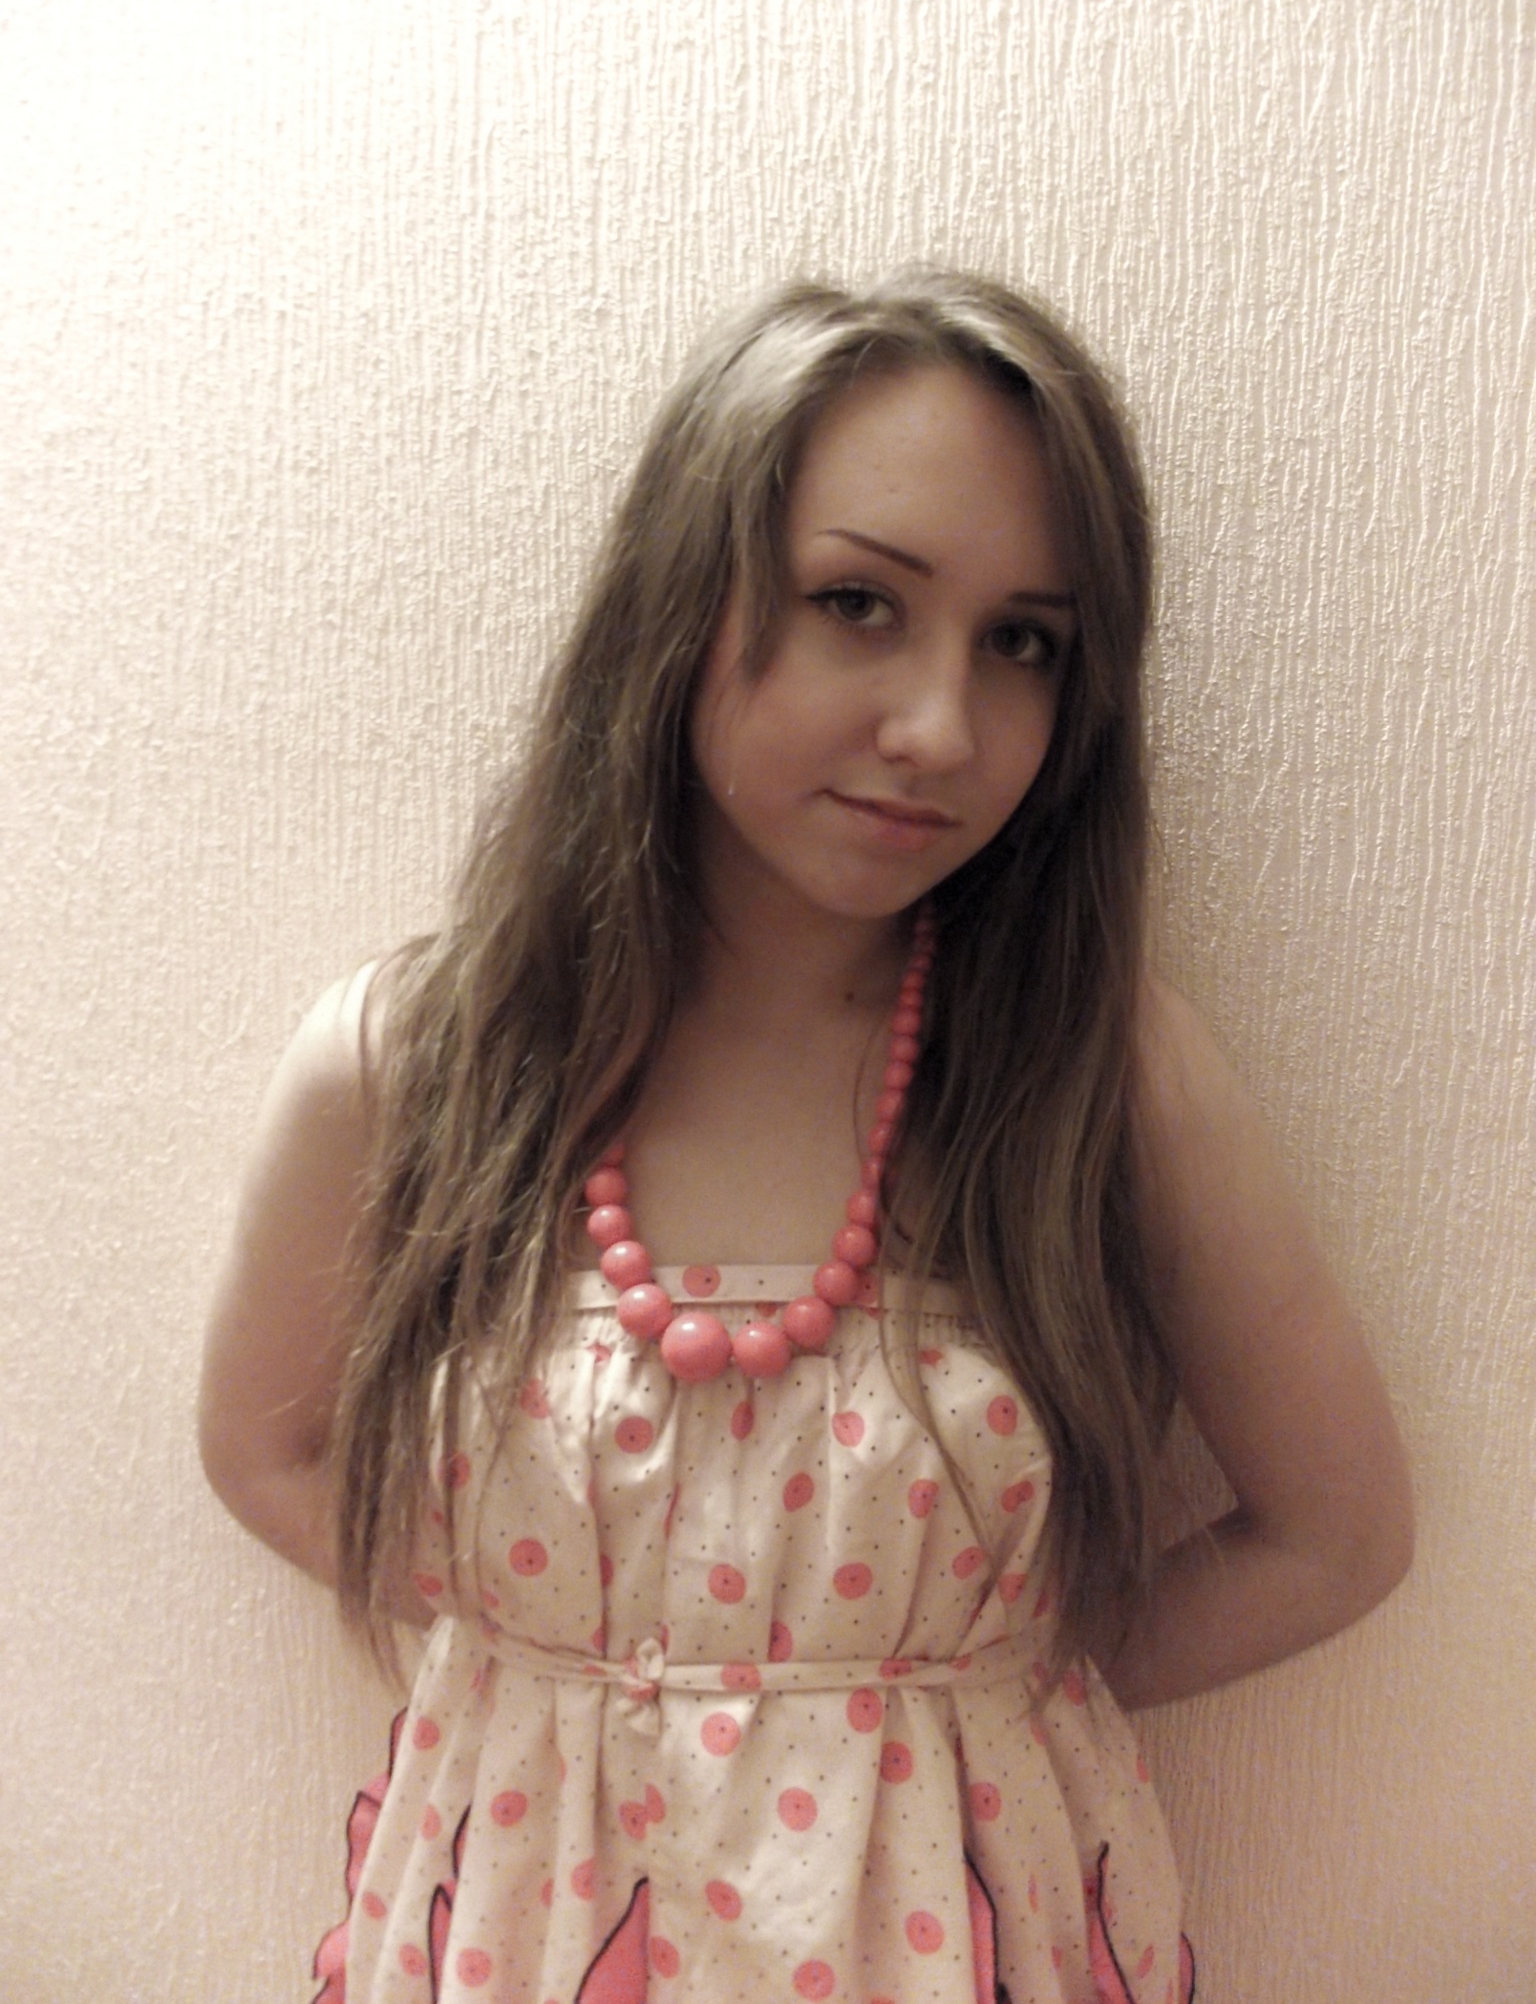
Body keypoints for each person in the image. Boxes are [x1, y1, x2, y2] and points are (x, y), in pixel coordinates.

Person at [199, 269, 1413, 2004]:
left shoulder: (1100, 1079)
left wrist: (940, 1688)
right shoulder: (414, 1065)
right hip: (524, 1934)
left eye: (1024, 643)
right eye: (859, 603)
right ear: (680, 599)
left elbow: (1335, 1537)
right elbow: (266, 1448)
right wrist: (577, 1652)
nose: (941, 728)